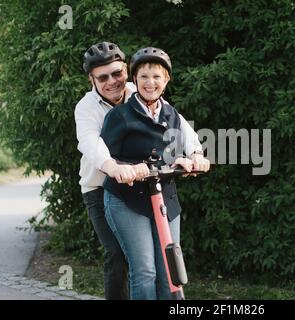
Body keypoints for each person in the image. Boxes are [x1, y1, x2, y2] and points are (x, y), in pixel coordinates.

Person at [100, 47, 210, 300]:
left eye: (157, 76)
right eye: (144, 77)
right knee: (145, 271)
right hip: (128, 199)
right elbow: (105, 156)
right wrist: (126, 168)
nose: (150, 83)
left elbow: (185, 143)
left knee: (171, 270)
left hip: (164, 199)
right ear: (134, 80)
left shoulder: (171, 113)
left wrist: (193, 157)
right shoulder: (120, 116)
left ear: (166, 80)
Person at [74, 41, 140, 300]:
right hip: (99, 189)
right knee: (116, 254)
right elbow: (89, 142)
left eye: (117, 73)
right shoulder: (86, 106)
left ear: (126, 69)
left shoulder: (138, 92)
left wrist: (190, 153)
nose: (112, 81)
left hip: (136, 185)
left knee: (146, 255)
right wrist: (111, 166)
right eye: (103, 77)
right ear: (92, 80)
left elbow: (168, 120)